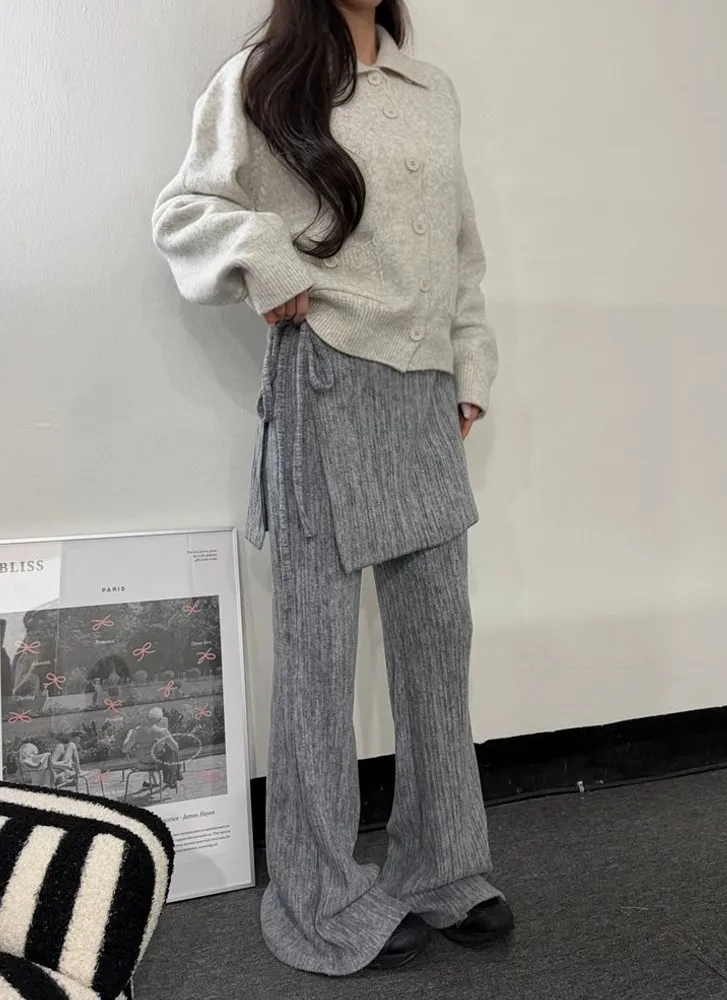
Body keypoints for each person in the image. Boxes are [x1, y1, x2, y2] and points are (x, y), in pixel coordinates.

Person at [153, 0, 512, 977]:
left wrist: (469, 365)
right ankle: (315, 895)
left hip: (423, 390)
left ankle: (443, 862)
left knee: (439, 636)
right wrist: (268, 261)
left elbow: (459, 249)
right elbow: (184, 210)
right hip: (325, 376)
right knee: (316, 653)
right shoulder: (265, 77)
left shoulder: (429, 90)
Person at [122, 707, 182, 790]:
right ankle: (172, 777)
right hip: (157, 764)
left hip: (141, 764)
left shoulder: (134, 733)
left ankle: (159, 780)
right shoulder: (162, 731)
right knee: (170, 750)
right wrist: (163, 744)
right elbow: (175, 747)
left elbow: (124, 749)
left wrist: (127, 737)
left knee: (155, 753)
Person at [19, 741, 84, 787]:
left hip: (48, 774)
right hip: (52, 778)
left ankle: (73, 770)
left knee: (60, 746)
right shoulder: (35, 761)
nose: (37, 755)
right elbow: (50, 766)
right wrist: (66, 765)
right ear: (32, 753)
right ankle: (77, 771)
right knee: (71, 745)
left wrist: (64, 764)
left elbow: (50, 765)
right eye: (36, 754)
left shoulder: (24, 763)